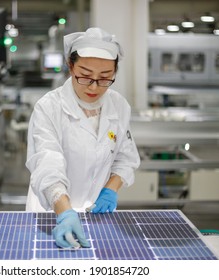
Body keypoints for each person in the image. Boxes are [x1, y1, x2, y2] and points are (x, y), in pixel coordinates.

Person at [25, 27, 140, 249]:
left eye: (105, 78)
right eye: (85, 76)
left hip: (94, 212)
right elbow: (47, 163)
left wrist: (110, 189)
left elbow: (125, 157)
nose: (94, 87)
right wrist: (65, 211)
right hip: (52, 213)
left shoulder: (118, 106)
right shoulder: (49, 107)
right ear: (70, 66)